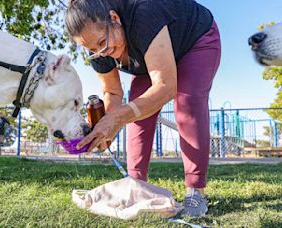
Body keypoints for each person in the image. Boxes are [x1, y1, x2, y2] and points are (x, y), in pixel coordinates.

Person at [65, 0, 221, 217]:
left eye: (103, 42)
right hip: (149, 57)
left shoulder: (143, 14)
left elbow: (166, 87)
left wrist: (118, 118)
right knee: (137, 113)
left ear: (115, 19)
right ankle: (136, 185)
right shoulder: (97, 48)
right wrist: (106, 127)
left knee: (187, 103)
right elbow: (113, 92)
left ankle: (196, 191)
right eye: (93, 50)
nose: (103, 53)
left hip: (194, 40)